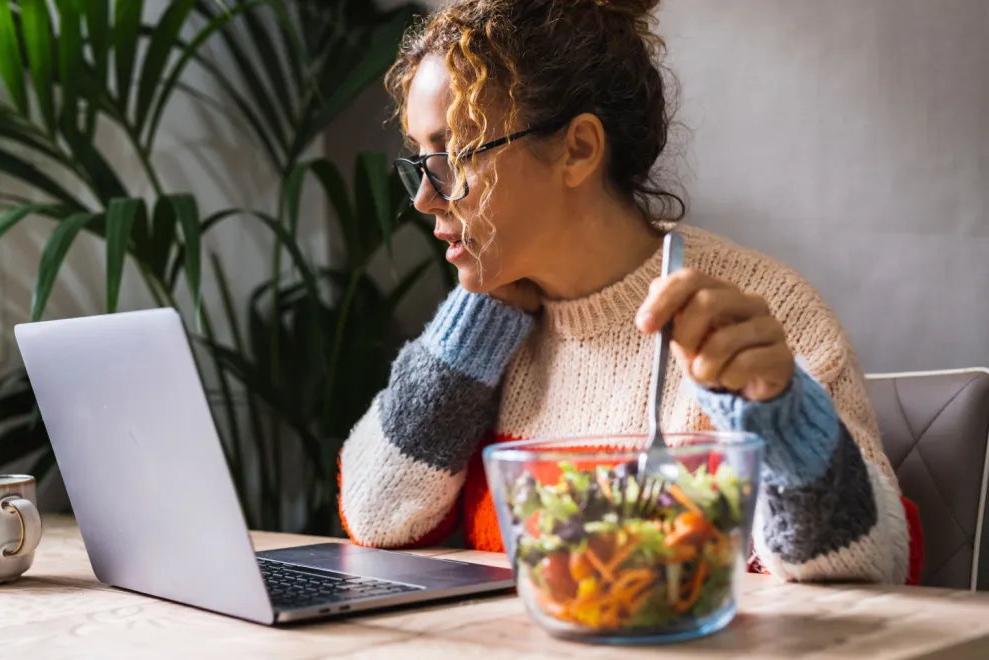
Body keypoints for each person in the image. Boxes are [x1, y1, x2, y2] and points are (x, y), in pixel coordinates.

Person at [337, 0, 918, 584]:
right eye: (422, 160)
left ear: (579, 149)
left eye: (455, 155)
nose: (424, 199)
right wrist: (476, 322)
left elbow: (872, 568)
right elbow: (377, 515)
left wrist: (779, 412)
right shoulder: (493, 330)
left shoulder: (758, 316)